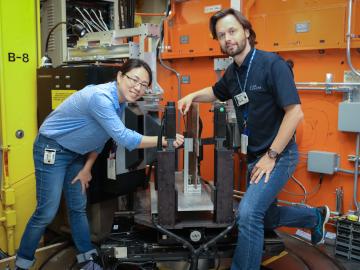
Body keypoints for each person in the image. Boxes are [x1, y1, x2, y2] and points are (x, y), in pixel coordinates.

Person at [178, 8, 330, 270]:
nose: (228, 38)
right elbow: (215, 92)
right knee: (267, 216)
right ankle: (314, 217)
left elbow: (295, 113)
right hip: (255, 157)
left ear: (247, 31)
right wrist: (191, 96)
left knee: (248, 214)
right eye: (222, 34)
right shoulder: (233, 73)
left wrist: (271, 157)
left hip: (278, 155)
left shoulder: (273, 65)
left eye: (233, 31)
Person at [15, 59, 184, 270]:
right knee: (47, 211)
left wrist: (86, 169)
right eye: (134, 79)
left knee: (77, 206)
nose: (138, 87)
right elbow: (123, 137)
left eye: (144, 84)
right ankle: (22, 263)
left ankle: (87, 257)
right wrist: (164, 140)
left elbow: (102, 137)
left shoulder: (120, 101)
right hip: (52, 148)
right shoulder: (100, 98)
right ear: (120, 76)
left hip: (76, 153)